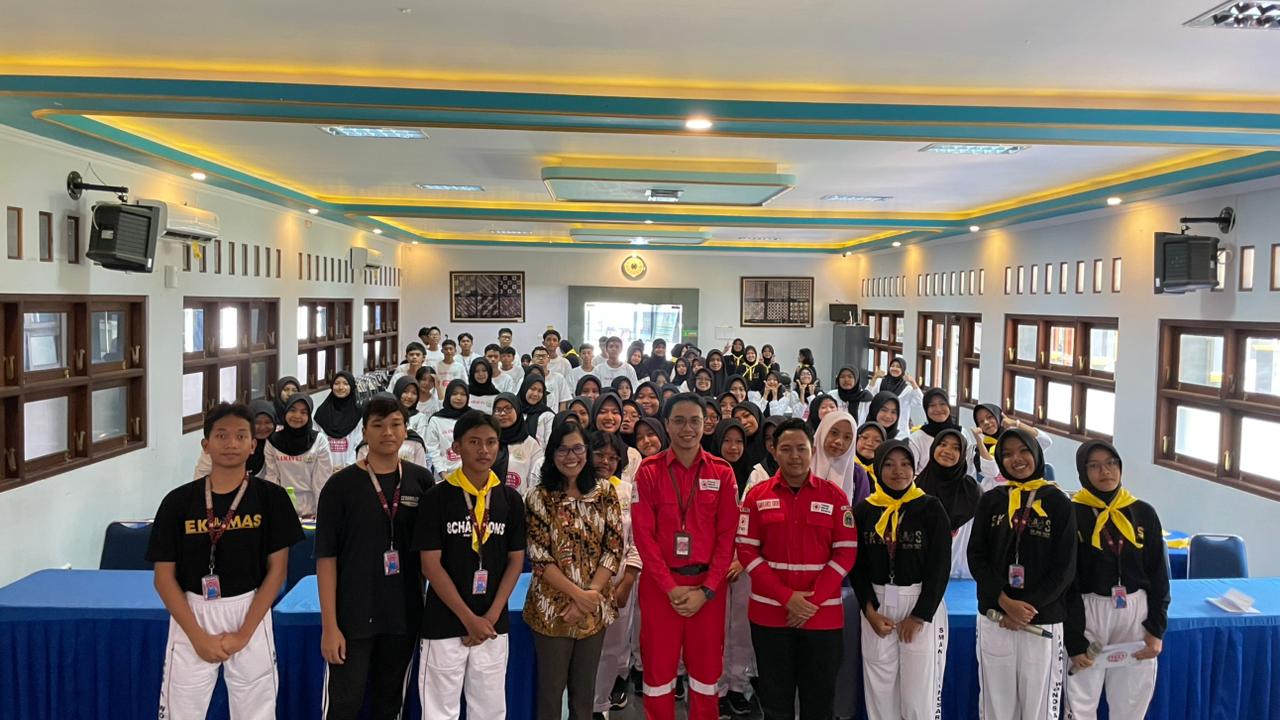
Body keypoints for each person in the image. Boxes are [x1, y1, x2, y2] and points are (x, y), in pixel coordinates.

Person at [148, 403, 303, 720]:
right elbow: (163, 578)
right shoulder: (177, 502)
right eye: (221, 435)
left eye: (240, 436)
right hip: (192, 611)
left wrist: (244, 633)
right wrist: (197, 636)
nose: (231, 443)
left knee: (256, 710)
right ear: (205, 444)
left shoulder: (272, 499)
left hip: (250, 609)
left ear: (253, 445)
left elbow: (277, 572)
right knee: (181, 710)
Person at [316, 394, 432, 719]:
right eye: (378, 425)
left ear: (406, 429)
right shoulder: (339, 486)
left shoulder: (421, 481)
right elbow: (326, 559)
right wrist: (330, 626)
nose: (388, 433)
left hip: (403, 614)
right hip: (352, 616)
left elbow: (432, 555)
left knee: (389, 704)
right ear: (364, 431)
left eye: (395, 424)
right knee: (344, 704)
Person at [737, 418, 857, 720]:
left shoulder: (834, 496)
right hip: (770, 616)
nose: (794, 456)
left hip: (822, 618)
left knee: (820, 703)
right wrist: (787, 597)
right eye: (786, 449)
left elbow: (846, 552)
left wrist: (811, 602)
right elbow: (747, 551)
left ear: (812, 450)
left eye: (801, 448)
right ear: (773, 450)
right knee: (775, 703)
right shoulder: (757, 496)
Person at [631, 393, 740, 720]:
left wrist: (707, 590)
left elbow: (727, 538)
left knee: (706, 676)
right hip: (660, 589)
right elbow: (644, 537)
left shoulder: (722, 473)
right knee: (657, 676)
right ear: (666, 424)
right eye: (679, 421)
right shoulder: (648, 472)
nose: (687, 428)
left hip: (708, 590)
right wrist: (670, 587)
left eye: (695, 420)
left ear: (706, 424)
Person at [413, 411, 527, 720]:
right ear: (457, 447)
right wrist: (468, 618)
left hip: (492, 623)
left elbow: (516, 561)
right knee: (439, 712)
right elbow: (430, 565)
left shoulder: (509, 499)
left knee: (489, 711)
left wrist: (489, 616)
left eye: (491, 442)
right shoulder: (436, 498)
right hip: (444, 622)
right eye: (474, 442)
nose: (483, 450)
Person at [968, 428, 1077, 720]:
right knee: (996, 705)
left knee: (1038, 707)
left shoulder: (1058, 502)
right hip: (996, 616)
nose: (1016, 459)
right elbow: (977, 557)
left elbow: (1065, 567)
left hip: (1041, 618)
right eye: (1007, 454)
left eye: (1023, 451)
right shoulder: (991, 499)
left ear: (1036, 453)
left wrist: (1025, 608)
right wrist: (1004, 601)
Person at [525, 423, 625, 720]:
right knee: (550, 694)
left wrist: (589, 596)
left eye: (578, 448)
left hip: (594, 608)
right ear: (551, 454)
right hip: (552, 609)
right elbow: (540, 558)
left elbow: (614, 548)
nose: (571, 456)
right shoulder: (538, 496)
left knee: (584, 696)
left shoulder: (605, 491)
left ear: (587, 451)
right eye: (563, 449)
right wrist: (578, 597)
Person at [1065, 441, 1168, 720]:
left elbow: (1158, 574)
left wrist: (1156, 629)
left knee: (1132, 701)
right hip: (1088, 612)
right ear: (1082, 471)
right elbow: (1067, 581)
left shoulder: (1143, 512)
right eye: (1094, 465)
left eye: (1111, 463)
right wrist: (1073, 639)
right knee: (1080, 700)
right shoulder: (1072, 513)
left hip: (1135, 612)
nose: (1105, 471)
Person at [852, 440, 952, 720]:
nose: (898, 471)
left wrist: (920, 615)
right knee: (879, 687)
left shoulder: (931, 508)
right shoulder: (864, 510)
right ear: (877, 468)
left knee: (919, 691)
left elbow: (940, 566)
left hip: (919, 601)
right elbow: (857, 566)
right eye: (889, 464)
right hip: (877, 604)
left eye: (905, 464)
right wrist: (869, 611)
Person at [810, 410, 871, 720]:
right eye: (834, 433)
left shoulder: (858, 476)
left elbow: (858, 530)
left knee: (836, 653)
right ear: (821, 433)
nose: (839, 442)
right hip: (796, 578)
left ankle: (838, 711)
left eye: (848, 437)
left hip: (841, 582)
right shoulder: (802, 465)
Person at [591, 430, 643, 718]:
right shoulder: (575, 489)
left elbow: (638, 540)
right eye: (600, 455)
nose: (606, 462)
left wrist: (627, 581)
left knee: (612, 648)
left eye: (612, 458)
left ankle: (600, 705)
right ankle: (580, 703)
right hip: (583, 586)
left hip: (619, 583)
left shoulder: (626, 490)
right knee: (584, 649)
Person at [711, 419, 758, 717]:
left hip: (745, 565)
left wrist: (742, 559)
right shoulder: (708, 474)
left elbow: (759, 525)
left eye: (739, 441)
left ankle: (738, 686)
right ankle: (715, 687)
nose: (733, 447)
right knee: (714, 630)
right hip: (713, 566)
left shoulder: (755, 476)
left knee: (741, 629)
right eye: (727, 440)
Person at [915, 429, 983, 579]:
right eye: (943, 444)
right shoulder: (916, 486)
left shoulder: (973, 491)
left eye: (956, 448)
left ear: (963, 454)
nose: (947, 451)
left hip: (963, 574)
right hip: (922, 570)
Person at [263, 393, 334, 516]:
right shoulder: (273, 441)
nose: (297, 416)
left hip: (311, 508)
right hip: (282, 506)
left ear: (309, 415)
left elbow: (322, 481)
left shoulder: (319, 441)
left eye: (303, 412)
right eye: (292, 410)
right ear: (285, 411)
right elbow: (272, 478)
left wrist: (322, 513)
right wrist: (275, 511)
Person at [192, 400, 276, 480]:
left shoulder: (276, 444)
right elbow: (201, 474)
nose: (263, 427)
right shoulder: (217, 448)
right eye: (257, 423)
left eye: (268, 422)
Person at [971, 402, 1052, 482]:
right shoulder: (980, 450)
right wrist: (979, 441)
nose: (986, 422)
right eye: (981, 421)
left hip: (1028, 486)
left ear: (998, 416)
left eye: (989, 417)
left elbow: (1045, 442)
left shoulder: (1017, 438)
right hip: (999, 490)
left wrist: (1017, 424)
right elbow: (992, 472)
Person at [491, 393, 544, 496]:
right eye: (498, 410)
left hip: (519, 502)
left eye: (508, 409)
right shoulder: (487, 441)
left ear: (518, 411)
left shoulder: (530, 444)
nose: (502, 413)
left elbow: (537, 480)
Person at [908, 388, 970, 475]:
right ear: (926, 409)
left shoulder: (962, 433)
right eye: (932, 405)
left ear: (948, 406)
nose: (938, 409)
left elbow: (969, 466)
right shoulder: (917, 438)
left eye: (942, 404)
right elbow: (910, 471)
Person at [314, 370, 363, 473]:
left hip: (351, 469)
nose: (341, 387)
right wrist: (328, 465)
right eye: (337, 383)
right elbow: (316, 442)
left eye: (345, 384)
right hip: (325, 469)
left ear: (352, 386)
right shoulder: (321, 413)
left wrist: (347, 466)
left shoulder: (358, 414)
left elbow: (359, 443)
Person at [425, 380, 471, 480]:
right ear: (448, 395)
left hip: (470, 474)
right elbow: (433, 449)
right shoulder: (436, 420)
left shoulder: (473, 417)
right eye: (454, 393)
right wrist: (443, 473)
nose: (459, 397)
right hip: (444, 476)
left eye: (463, 394)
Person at [869, 358, 922, 437]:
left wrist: (913, 382)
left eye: (898, 367)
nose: (894, 368)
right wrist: (875, 377)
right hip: (879, 424)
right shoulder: (880, 382)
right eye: (892, 366)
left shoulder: (907, 388)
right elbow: (869, 395)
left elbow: (919, 402)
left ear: (903, 370)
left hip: (899, 429)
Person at [520, 373, 556, 446]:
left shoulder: (547, 415)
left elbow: (550, 444)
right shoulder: (515, 411)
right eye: (532, 389)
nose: (535, 394)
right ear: (524, 388)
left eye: (540, 391)